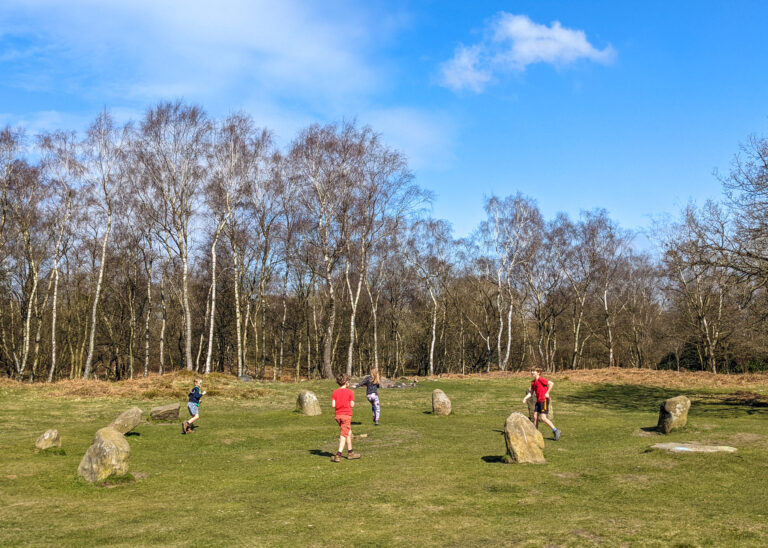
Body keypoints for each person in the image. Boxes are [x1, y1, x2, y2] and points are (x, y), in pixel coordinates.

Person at [522, 367, 561, 441]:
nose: (532, 372)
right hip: (538, 401)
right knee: (535, 416)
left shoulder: (541, 379)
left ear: (538, 372)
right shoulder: (533, 382)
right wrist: (525, 398)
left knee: (543, 418)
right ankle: (535, 434)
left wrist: (547, 393)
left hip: (544, 400)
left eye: (534, 371)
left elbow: (551, 383)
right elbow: (531, 393)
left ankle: (556, 430)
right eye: (532, 371)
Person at [331, 373, 361, 462]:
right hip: (346, 416)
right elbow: (352, 404)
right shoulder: (350, 392)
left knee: (348, 432)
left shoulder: (335, 392)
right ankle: (338, 455)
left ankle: (350, 452)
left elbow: (333, 405)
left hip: (338, 416)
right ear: (346, 382)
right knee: (344, 435)